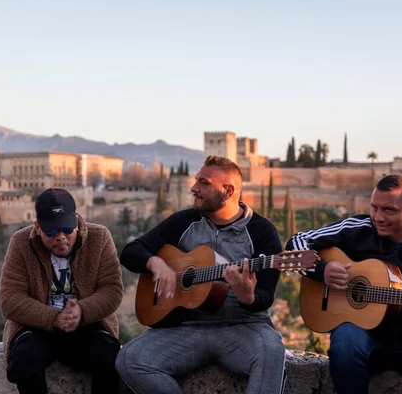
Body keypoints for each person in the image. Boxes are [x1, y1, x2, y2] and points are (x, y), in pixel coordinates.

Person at [286, 174, 402, 394]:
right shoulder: (358, 228)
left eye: (389, 210)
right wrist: (322, 270)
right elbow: (297, 242)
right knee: (345, 341)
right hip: (365, 339)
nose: (378, 217)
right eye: (374, 208)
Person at [115, 155, 286, 394]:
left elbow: (265, 295)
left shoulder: (261, 231)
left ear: (228, 191)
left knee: (273, 353)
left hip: (243, 327)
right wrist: (155, 263)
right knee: (130, 359)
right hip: (186, 327)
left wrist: (248, 297)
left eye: (203, 183)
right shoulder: (184, 221)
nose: (194, 188)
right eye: (196, 181)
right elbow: (131, 252)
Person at [0, 188, 124, 394]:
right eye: (51, 231)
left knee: (109, 361)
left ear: (76, 222)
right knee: (22, 364)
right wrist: (54, 318)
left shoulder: (99, 237)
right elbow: (10, 299)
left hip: (88, 324)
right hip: (38, 326)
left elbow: (112, 290)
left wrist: (82, 311)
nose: (61, 237)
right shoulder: (20, 243)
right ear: (37, 227)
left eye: (66, 228)